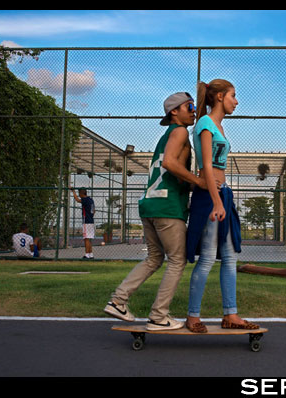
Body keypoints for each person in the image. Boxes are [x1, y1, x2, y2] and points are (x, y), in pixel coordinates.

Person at [103, 92, 213, 330]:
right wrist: (200, 181)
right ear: (175, 111)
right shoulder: (180, 131)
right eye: (189, 106)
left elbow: (171, 169)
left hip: (150, 204)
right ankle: (158, 316)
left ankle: (118, 301)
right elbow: (170, 164)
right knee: (176, 260)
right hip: (167, 206)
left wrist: (188, 182)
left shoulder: (167, 136)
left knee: (154, 258)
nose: (194, 110)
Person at [185, 79, 259, 333]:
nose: (236, 101)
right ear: (219, 97)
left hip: (222, 194)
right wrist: (216, 201)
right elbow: (206, 165)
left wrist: (223, 197)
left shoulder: (219, 126)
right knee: (206, 258)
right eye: (233, 96)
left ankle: (231, 315)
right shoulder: (205, 124)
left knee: (229, 256)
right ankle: (193, 316)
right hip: (209, 196)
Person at [71, 187, 96, 259]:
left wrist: (73, 192)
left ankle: (87, 254)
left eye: (79, 193)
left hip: (86, 221)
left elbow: (78, 200)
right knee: (89, 238)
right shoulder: (91, 200)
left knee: (86, 238)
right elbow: (94, 211)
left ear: (82, 193)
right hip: (91, 221)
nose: (79, 195)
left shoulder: (85, 199)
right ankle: (91, 254)